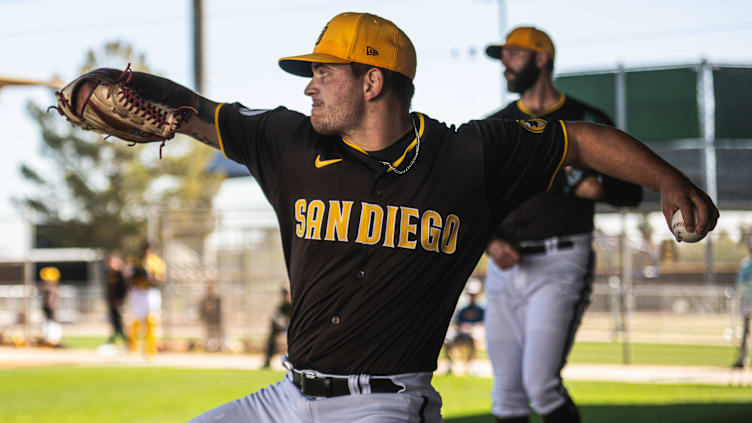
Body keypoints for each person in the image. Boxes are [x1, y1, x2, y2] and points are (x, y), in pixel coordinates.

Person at [64, 12, 717, 422]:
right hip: (288, 397)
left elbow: (576, 138)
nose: (309, 84)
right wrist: (106, 80)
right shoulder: (288, 144)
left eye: (323, 70)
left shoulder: (468, 157)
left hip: (384, 401)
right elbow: (193, 108)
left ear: (372, 81)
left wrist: (670, 180)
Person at [482, 26, 644, 422]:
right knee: (506, 393)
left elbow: (632, 192)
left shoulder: (587, 119)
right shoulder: (496, 125)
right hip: (507, 267)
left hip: (561, 261)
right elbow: (475, 199)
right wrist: (489, 241)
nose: (506, 63)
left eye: (515, 54)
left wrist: (597, 187)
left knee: (541, 385)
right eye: (503, 56)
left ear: (542, 59)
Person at [125, 241, 165, 356]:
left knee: (152, 319)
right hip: (137, 291)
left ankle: (150, 349)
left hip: (151, 292)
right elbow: (128, 277)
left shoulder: (156, 262)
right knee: (135, 319)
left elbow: (159, 280)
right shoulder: (134, 261)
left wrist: (149, 275)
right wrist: (137, 273)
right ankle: (133, 347)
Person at [444, 279, 485, 376]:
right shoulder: (463, 309)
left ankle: (470, 366)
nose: (472, 297)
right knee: (447, 340)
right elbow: (456, 323)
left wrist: (471, 328)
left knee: (474, 337)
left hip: (474, 333)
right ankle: (451, 364)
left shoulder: (481, 309)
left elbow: (483, 324)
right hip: (462, 332)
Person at [732, 239, 752, 368]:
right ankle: (742, 359)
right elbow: (741, 283)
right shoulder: (745, 264)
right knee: (745, 331)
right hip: (747, 300)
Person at [263, 287, 292, 369]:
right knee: (271, 341)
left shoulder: (292, 306)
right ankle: (267, 361)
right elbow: (277, 320)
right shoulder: (281, 307)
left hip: (290, 329)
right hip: (281, 328)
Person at [104, 252, 128, 345]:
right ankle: (114, 339)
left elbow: (124, 289)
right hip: (111, 301)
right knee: (113, 321)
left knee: (119, 321)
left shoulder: (120, 274)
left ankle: (124, 340)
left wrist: (120, 300)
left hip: (118, 302)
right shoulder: (109, 274)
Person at [38, 266, 62, 347]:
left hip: (51, 307)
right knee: (47, 322)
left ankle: (53, 339)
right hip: (48, 307)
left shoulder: (52, 287)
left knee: (52, 322)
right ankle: (48, 338)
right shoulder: (51, 286)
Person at [198, 282, 223, 352]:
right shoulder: (204, 300)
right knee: (208, 335)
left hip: (216, 321)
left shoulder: (217, 299)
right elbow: (201, 311)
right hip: (208, 321)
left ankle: (218, 348)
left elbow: (220, 311)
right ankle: (207, 348)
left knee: (217, 335)